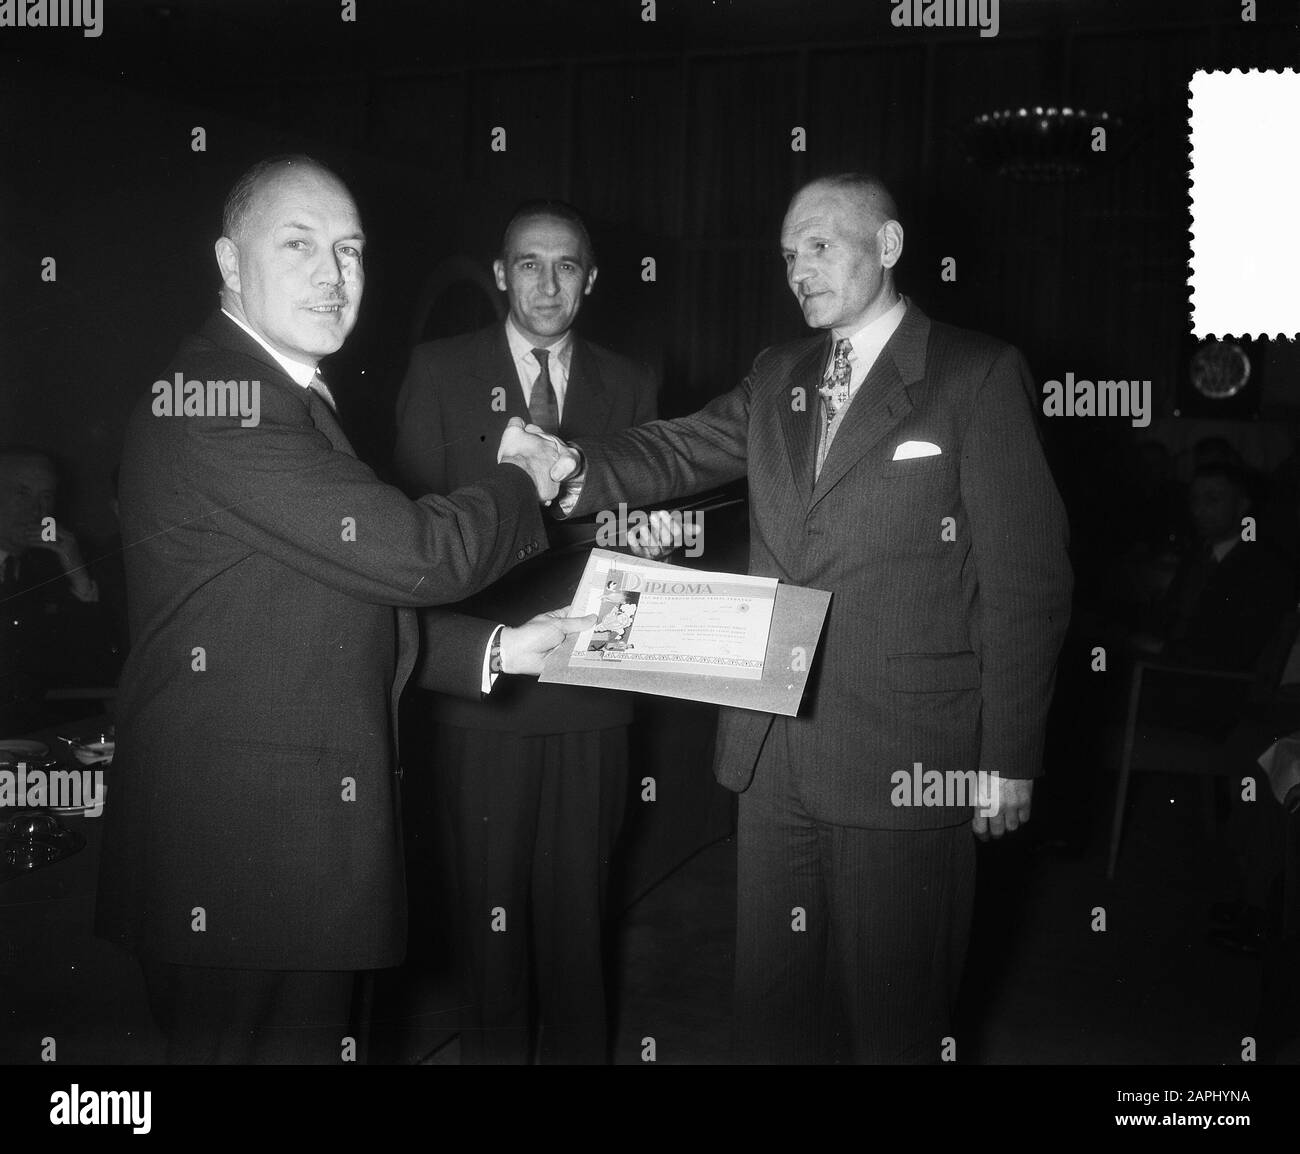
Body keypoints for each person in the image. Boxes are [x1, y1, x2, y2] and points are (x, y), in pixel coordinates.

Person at [547, 172, 1073, 1063]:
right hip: (772, 752)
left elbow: (1029, 583)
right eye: (789, 255)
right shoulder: (778, 372)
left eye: (820, 246)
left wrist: (1007, 757)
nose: (798, 270)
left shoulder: (975, 374)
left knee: (896, 1026)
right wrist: (570, 467)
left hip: (909, 759)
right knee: (775, 1019)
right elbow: (677, 447)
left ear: (890, 246)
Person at [93, 155, 586, 1064]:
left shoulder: (287, 394)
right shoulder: (223, 401)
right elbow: (413, 554)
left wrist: (499, 652)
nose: (333, 275)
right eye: (299, 245)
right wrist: (519, 478)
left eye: (351, 251)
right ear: (229, 263)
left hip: (288, 859)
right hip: (246, 865)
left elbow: (334, 594)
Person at [391, 200, 657, 1063]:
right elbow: (414, 545)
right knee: (487, 926)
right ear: (500, 274)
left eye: (567, 265)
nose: (548, 283)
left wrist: (655, 535)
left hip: (593, 688)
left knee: (580, 920)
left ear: (591, 279)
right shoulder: (436, 370)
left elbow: (653, 526)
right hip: (483, 692)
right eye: (529, 264)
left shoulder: (633, 380)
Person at [0, 448, 117, 735]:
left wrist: (78, 575)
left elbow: (96, 667)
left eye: (46, 496)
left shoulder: (47, 567)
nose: (37, 511)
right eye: (22, 493)